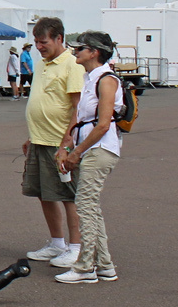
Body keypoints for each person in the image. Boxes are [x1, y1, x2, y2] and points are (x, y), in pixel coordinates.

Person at [52, 31, 123, 284]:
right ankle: (104, 265)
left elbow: (103, 125)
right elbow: (81, 119)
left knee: (85, 205)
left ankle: (85, 267)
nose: (75, 52)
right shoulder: (90, 77)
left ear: (94, 52)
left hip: (99, 150)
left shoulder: (106, 80)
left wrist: (77, 154)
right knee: (91, 207)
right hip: (91, 148)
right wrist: (68, 145)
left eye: (80, 48)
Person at [22, 18, 85, 267]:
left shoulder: (72, 64)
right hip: (39, 140)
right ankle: (57, 243)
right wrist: (31, 136)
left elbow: (77, 108)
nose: (39, 46)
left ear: (59, 38)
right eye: (36, 42)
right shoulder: (41, 65)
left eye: (43, 41)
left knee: (68, 196)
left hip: (59, 143)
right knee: (45, 194)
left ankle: (76, 247)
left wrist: (66, 144)